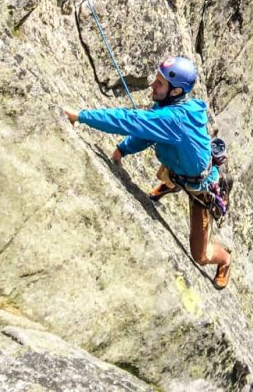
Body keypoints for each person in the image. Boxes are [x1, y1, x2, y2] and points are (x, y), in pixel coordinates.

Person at [63, 55, 231, 290]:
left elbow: (129, 120)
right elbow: (147, 132)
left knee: (200, 256)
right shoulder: (169, 108)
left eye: (160, 83)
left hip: (199, 189)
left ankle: (225, 260)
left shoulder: (172, 118)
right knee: (171, 170)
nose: (153, 85)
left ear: (175, 91)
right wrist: (124, 149)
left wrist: (81, 117)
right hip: (179, 168)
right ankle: (171, 183)